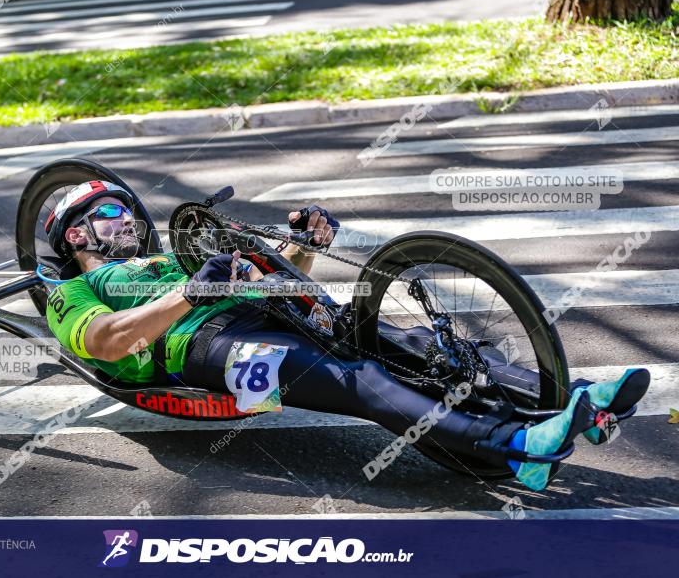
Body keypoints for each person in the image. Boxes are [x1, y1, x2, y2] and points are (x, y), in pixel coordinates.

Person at [44, 180, 650, 491]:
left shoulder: (173, 258)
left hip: (269, 311)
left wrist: (303, 247)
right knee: (358, 382)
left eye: (129, 211)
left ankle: (579, 398)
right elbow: (109, 343)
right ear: (75, 236)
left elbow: (270, 279)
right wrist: (190, 294)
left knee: (413, 346)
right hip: (207, 350)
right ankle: (521, 447)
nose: (130, 221)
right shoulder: (74, 292)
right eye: (112, 214)